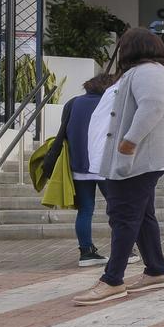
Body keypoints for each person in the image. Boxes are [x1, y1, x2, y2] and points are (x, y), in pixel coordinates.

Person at [73, 29, 164, 306]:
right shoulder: (147, 71)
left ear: (131, 48)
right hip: (138, 159)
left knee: (123, 216)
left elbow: (153, 105)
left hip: (137, 160)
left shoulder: (148, 71)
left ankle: (112, 280)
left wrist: (129, 142)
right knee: (141, 216)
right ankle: (156, 271)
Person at [43, 73, 120, 267]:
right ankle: (124, 251)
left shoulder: (73, 103)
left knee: (85, 210)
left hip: (78, 165)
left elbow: (65, 130)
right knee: (118, 209)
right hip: (104, 164)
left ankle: (86, 252)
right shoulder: (109, 103)